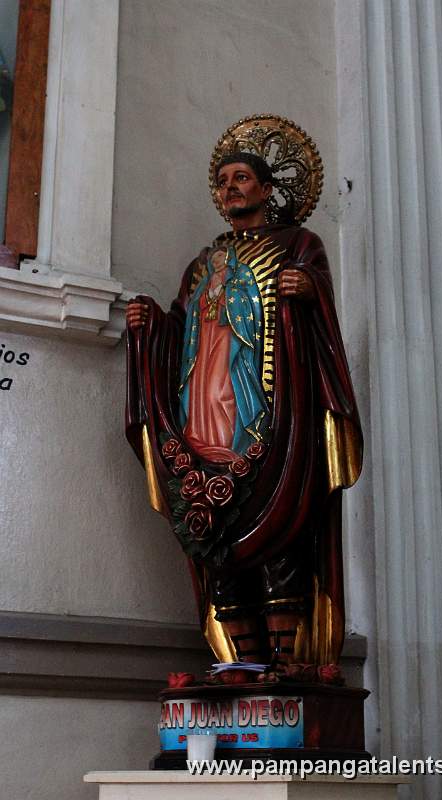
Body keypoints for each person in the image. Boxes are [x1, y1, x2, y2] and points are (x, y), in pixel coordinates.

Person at [126, 116, 362, 667]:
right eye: (223, 180)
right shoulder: (202, 264)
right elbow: (180, 327)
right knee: (223, 555)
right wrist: (151, 325)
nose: (229, 187)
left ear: (267, 189)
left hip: (276, 417)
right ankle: (240, 668)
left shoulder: (299, 244)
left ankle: (285, 665)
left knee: (284, 535)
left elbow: (320, 307)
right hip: (204, 412)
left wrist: (307, 291)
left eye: (241, 178)